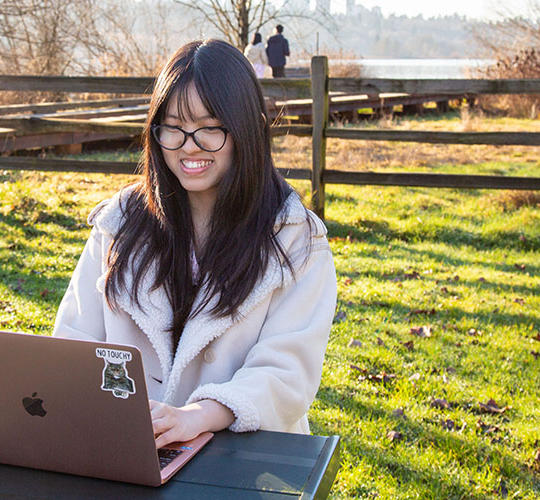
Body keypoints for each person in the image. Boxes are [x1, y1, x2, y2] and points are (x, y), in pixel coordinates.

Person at [52, 39, 336, 448]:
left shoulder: (295, 238)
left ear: (247, 129)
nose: (188, 145)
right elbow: (72, 344)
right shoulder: (120, 223)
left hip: (245, 460)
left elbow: (287, 373)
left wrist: (199, 416)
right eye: (173, 127)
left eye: (209, 128)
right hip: (126, 449)